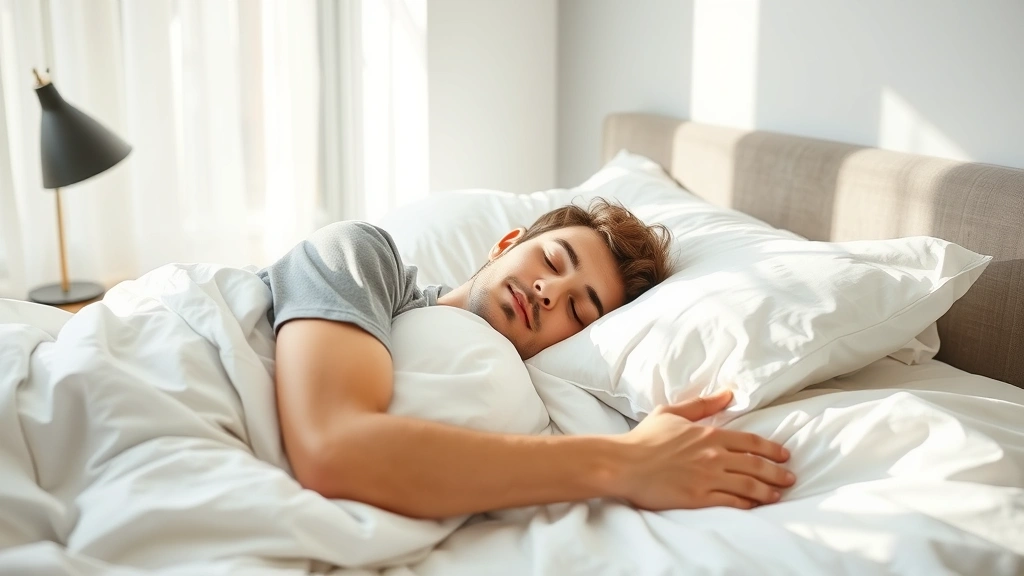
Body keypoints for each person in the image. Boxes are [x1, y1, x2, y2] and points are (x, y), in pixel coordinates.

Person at [260, 198, 796, 520]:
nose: (549, 291)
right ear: (505, 244)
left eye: (579, 311)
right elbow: (331, 447)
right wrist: (628, 463)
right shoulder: (359, 254)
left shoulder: (529, 400)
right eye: (553, 260)